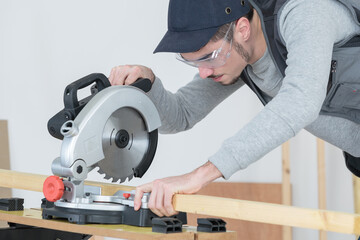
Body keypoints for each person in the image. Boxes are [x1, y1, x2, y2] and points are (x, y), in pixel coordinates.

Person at [109, 0, 360, 217]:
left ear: (242, 29)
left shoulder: (304, 13)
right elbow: (181, 114)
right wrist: (149, 86)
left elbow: (301, 101)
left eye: (208, 57)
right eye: (193, 61)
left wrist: (198, 176)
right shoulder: (237, 59)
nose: (203, 72)